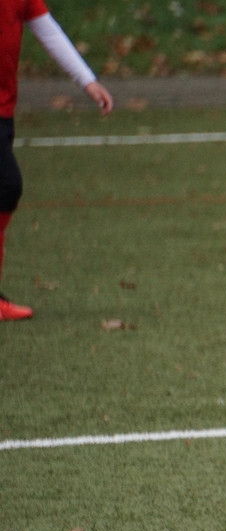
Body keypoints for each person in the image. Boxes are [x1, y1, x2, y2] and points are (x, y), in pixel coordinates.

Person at [0, 0, 113, 321]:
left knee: (5, 190)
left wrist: (86, 80)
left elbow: (46, 29)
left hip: (3, 110)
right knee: (7, 186)